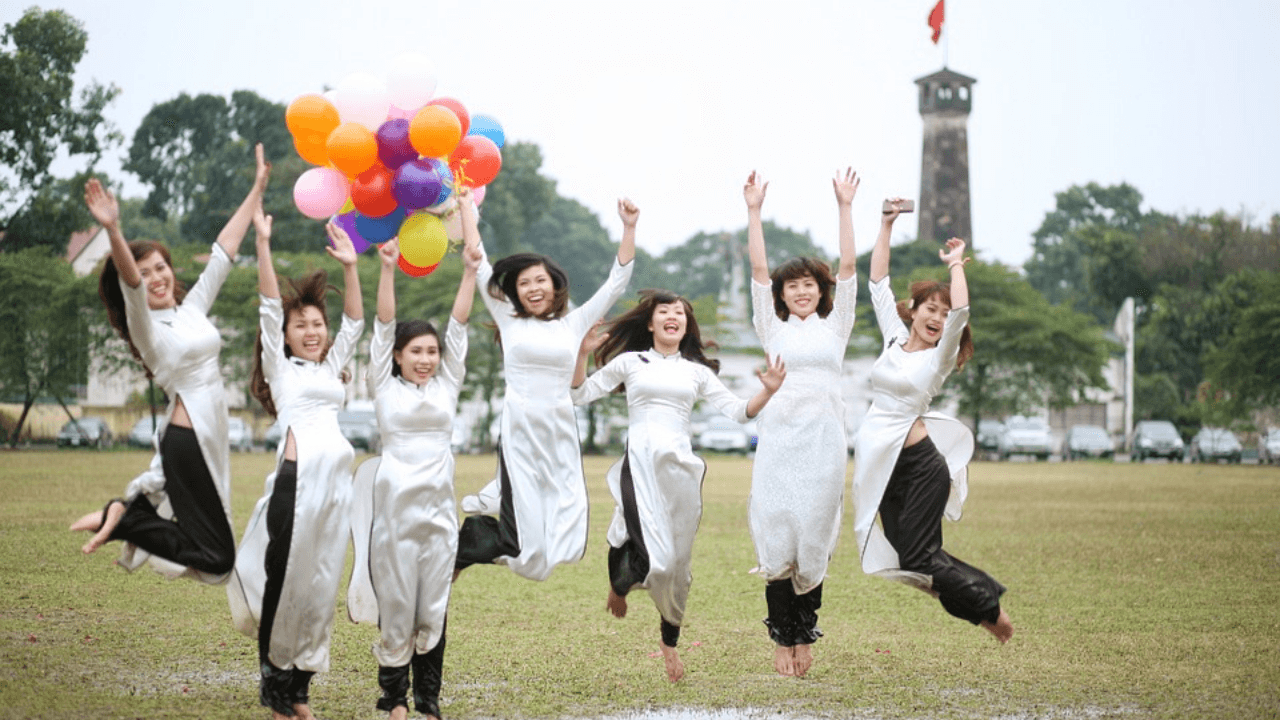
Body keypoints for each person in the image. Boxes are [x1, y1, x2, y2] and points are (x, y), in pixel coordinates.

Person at [70, 145, 270, 581]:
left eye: (161, 267)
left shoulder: (191, 310)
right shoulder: (147, 328)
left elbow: (224, 251)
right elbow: (131, 283)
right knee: (217, 557)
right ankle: (125, 517)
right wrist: (113, 230)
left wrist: (256, 189)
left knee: (215, 553)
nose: (157, 278)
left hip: (209, 434)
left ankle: (130, 514)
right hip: (189, 437)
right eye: (147, 272)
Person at [570, 290, 786, 682]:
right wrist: (582, 354)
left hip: (681, 474)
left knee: (677, 568)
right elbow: (579, 394)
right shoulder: (630, 362)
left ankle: (669, 639)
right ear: (650, 323)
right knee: (654, 555)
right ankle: (620, 581)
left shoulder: (697, 372)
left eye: (680, 313)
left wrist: (768, 391)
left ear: (686, 325)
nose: (673, 316)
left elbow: (739, 412)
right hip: (640, 465)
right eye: (664, 311)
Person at [851, 199, 1014, 644]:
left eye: (943, 314)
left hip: (920, 467)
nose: (937, 319)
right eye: (931, 309)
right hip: (882, 468)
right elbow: (877, 283)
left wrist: (956, 264)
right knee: (909, 561)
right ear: (913, 309)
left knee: (921, 558)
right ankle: (985, 605)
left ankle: (990, 609)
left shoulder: (938, 359)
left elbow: (961, 315)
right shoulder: (893, 340)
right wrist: (886, 225)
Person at [346, 195, 482, 720]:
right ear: (399, 357)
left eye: (431, 352)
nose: (426, 359)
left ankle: (429, 702)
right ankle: (393, 700)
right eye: (416, 351)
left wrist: (468, 273)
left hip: (439, 519)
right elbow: (383, 326)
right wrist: (386, 269)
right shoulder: (384, 386)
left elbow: (459, 327)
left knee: (434, 609)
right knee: (397, 607)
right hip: (395, 519)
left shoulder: (447, 385)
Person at [226, 211, 365, 720]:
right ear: (284, 336)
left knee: (321, 587)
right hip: (296, 485)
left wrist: (351, 267)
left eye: (316, 324)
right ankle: (275, 689)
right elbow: (268, 306)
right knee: (285, 585)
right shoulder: (280, 371)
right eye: (300, 325)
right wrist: (263, 243)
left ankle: (300, 689)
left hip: (336, 491)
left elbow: (355, 324)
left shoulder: (331, 368)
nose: (311, 331)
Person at [454, 199, 637, 582]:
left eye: (539, 280)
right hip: (519, 430)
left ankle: (482, 531)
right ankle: (474, 539)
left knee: (566, 534)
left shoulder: (574, 324)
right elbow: (479, 259)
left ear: (554, 285)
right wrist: (466, 206)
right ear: (515, 292)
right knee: (526, 547)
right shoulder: (508, 318)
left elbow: (615, 284)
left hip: (560, 431)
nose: (533, 288)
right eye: (524, 283)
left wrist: (629, 228)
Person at [742, 169, 860, 677]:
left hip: (824, 444)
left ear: (819, 290)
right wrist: (754, 211)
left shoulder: (837, 327)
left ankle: (804, 636)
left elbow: (849, 266)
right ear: (782, 295)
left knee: (814, 535)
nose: (801, 291)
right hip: (779, 442)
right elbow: (758, 267)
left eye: (808, 284)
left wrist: (845, 206)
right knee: (778, 536)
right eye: (792, 286)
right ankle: (780, 638)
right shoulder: (771, 327)